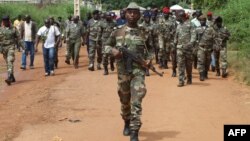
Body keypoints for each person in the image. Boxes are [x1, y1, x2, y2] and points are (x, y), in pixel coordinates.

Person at [104, 2, 154, 141]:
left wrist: (149, 60)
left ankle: (134, 131)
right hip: (123, 72)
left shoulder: (144, 32)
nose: (132, 15)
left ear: (139, 15)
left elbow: (151, 49)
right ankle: (126, 121)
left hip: (138, 71)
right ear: (125, 14)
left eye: (135, 12)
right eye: (130, 12)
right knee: (125, 100)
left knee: (137, 99)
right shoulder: (117, 31)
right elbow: (106, 46)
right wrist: (113, 51)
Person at [0, 16, 24, 85]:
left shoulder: (13, 29)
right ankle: (12, 76)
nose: (4, 22)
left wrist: (23, 47)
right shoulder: (1, 29)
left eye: (6, 21)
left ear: (8, 21)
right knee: (8, 63)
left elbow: (19, 38)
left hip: (11, 47)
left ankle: (9, 77)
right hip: (4, 49)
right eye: (3, 21)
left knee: (10, 60)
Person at [174, 10, 196, 87]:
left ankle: (189, 77)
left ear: (182, 17)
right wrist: (175, 43)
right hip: (179, 48)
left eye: (178, 17)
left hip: (188, 48)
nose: (177, 18)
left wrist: (190, 43)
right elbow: (176, 36)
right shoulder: (179, 25)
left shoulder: (191, 24)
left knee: (189, 65)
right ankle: (181, 81)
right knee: (180, 64)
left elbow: (193, 35)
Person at [195, 15, 217, 81]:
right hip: (200, 48)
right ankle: (201, 75)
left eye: (203, 20)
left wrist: (214, 46)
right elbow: (194, 38)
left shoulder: (210, 29)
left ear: (205, 21)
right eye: (201, 20)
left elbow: (214, 38)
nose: (202, 21)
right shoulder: (197, 29)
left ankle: (206, 73)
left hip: (209, 48)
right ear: (199, 21)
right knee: (201, 61)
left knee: (208, 61)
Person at [139, 10, 153, 76]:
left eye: (148, 17)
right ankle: (145, 69)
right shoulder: (141, 24)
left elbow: (153, 29)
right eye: (146, 17)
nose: (147, 19)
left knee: (150, 56)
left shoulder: (152, 23)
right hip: (143, 43)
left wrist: (145, 29)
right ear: (144, 18)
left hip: (150, 42)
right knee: (143, 56)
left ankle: (147, 69)